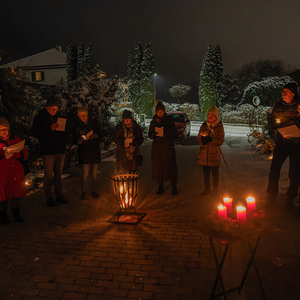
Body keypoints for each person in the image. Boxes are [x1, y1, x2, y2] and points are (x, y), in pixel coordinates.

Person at [266, 82, 300, 210]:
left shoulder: (299, 105)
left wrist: (294, 129)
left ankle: (290, 198)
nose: (283, 94)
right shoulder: (279, 105)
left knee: (294, 173)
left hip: (296, 145)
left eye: (286, 91)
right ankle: (271, 196)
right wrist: (282, 130)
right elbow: (273, 122)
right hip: (281, 143)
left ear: (293, 93)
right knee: (274, 170)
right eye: (283, 91)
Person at [32, 97, 69, 207]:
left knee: (58, 174)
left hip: (60, 150)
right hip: (48, 150)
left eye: (55, 108)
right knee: (48, 175)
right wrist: (50, 128)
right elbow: (36, 133)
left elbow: (64, 132)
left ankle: (59, 194)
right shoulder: (39, 118)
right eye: (51, 108)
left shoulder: (59, 117)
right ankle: (48, 196)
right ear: (46, 108)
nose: (54, 110)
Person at [0, 117, 28, 225]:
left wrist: (17, 153)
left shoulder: (16, 139)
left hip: (15, 172)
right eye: (1, 129)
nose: (3, 131)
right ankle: (3, 217)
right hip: (2, 174)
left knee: (16, 194)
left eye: (5, 129)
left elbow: (24, 153)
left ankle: (16, 214)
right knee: (2, 195)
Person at [148, 100, 178, 195]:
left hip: (167, 147)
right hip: (157, 148)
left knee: (170, 167)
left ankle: (174, 187)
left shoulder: (169, 120)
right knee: (158, 168)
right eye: (158, 111)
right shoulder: (153, 122)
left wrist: (166, 133)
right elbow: (149, 134)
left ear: (164, 111)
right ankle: (160, 187)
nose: (159, 113)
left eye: (161, 111)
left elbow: (174, 132)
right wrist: (153, 134)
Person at [74, 107, 102, 200]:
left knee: (94, 173)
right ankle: (84, 192)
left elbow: (100, 133)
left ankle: (94, 191)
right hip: (84, 152)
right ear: (79, 116)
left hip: (94, 150)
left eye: (85, 115)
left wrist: (96, 135)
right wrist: (79, 140)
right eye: (82, 116)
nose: (84, 117)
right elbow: (74, 138)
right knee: (85, 173)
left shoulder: (93, 123)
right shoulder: (77, 126)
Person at [197, 106, 224, 196]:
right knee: (206, 173)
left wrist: (211, 141)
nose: (209, 117)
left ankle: (215, 191)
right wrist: (202, 141)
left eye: (211, 116)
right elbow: (199, 137)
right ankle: (207, 189)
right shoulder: (204, 125)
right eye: (208, 115)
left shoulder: (219, 126)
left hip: (214, 155)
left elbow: (220, 140)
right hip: (204, 154)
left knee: (215, 173)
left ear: (215, 117)